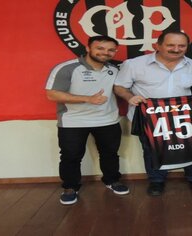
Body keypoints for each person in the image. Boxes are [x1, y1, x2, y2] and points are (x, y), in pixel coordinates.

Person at [114, 30, 192, 196]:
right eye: (170, 45)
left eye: (181, 45)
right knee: (151, 150)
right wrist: (130, 97)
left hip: (184, 118)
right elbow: (119, 87)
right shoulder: (134, 64)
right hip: (148, 118)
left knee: (190, 147)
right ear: (157, 45)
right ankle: (156, 181)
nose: (176, 49)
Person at [45, 35, 129, 205]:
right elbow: (51, 94)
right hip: (73, 121)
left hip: (108, 120)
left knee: (110, 154)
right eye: (100, 48)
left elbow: (121, 89)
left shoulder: (114, 69)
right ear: (88, 48)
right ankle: (70, 187)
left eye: (111, 49)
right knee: (70, 156)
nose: (105, 52)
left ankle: (112, 180)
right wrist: (87, 99)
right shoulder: (67, 68)